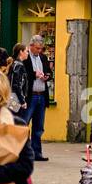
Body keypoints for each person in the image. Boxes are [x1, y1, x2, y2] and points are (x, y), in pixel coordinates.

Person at [24, 34, 52, 162]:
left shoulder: (43, 57)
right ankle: (25, 153)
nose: (39, 51)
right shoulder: (25, 57)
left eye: (41, 48)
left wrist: (47, 76)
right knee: (24, 124)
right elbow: (24, 74)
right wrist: (34, 74)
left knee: (39, 127)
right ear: (31, 46)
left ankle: (37, 152)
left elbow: (49, 72)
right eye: (37, 48)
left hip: (41, 95)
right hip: (31, 95)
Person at [9, 44, 31, 122]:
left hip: (11, 97)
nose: (28, 53)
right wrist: (22, 101)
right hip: (15, 99)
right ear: (21, 52)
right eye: (26, 51)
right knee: (17, 122)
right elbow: (17, 84)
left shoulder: (13, 63)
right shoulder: (19, 65)